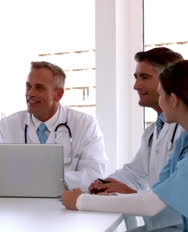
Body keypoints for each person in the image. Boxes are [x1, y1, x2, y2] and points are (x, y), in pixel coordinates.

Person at [62, 60, 188, 232]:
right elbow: (157, 192)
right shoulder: (183, 140)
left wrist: (80, 201)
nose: (136, 86)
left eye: (161, 95)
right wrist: (120, 191)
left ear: (173, 100)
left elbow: (154, 204)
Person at [0, 61, 106, 191]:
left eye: (39, 88)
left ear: (58, 94)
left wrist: (44, 179)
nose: (30, 93)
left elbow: (94, 176)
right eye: (28, 86)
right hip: (21, 206)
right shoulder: (8, 125)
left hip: (67, 207)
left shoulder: (85, 124)